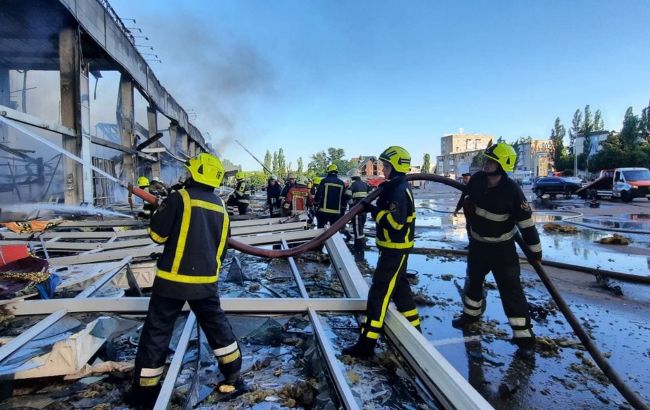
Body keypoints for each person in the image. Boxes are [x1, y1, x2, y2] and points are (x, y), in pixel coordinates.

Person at [126, 153, 246, 407]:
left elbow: (157, 236)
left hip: (171, 282)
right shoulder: (221, 207)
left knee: (157, 333)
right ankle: (234, 376)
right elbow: (222, 249)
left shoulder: (179, 198)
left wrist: (156, 210)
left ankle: (145, 393)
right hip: (206, 283)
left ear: (195, 174)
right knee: (218, 328)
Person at [451, 142, 542, 359]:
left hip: (503, 250)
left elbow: (526, 224)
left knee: (511, 292)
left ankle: (524, 338)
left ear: (503, 165)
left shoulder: (512, 191)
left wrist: (535, 251)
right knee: (473, 283)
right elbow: (468, 200)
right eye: (486, 160)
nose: (486, 164)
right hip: (479, 246)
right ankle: (471, 316)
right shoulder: (477, 180)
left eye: (491, 161)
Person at [342, 146, 420, 358]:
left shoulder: (398, 190)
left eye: (386, 166)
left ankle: (367, 344)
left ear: (395, 167)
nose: (383, 169)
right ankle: (416, 333)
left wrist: (374, 210)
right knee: (401, 290)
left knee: (378, 295)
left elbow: (396, 223)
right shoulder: (394, 187)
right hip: (392, 248)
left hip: (395, 250)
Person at [314, 164, 347, 229]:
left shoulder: (324, 181)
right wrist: (343, 209)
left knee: (320, 230)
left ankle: (321, 239)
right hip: (336, 212)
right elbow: (344, 197)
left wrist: (315, 202)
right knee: (334, 231)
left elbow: (318, 194)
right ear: (336, 172)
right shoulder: (341, 183)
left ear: (328, 172)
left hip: (323, 211)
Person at [347, 168, 370, 250]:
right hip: (364, 210)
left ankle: (359, 247)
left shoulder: (352, 185)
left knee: (357, 229)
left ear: (352, 176)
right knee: (361, 228)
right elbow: (371, 195)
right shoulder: (365, 184)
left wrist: (351, 204)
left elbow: (348, 196)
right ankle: (361, 245)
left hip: (356, 210)